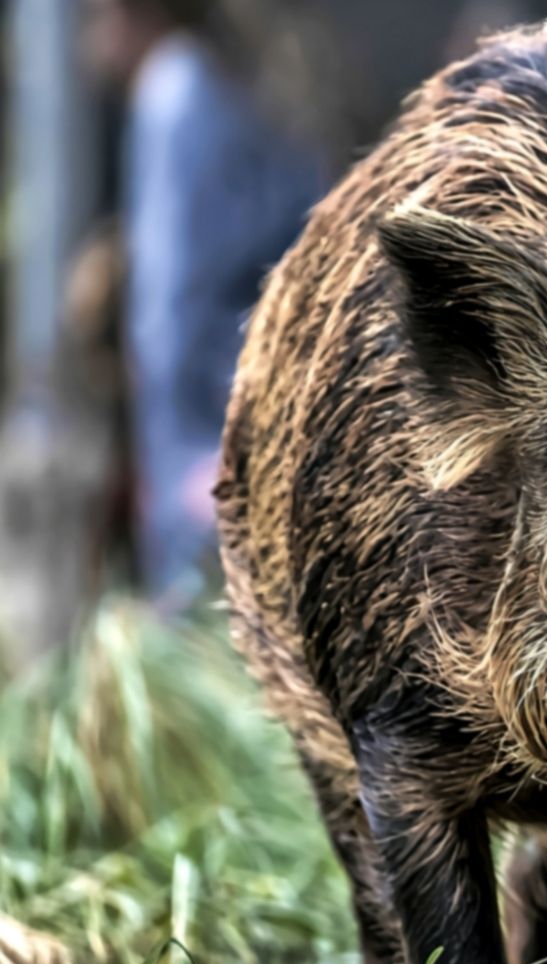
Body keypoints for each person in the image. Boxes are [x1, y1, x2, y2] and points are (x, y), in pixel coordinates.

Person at [82, 0, 328, 605]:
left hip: (205, 454)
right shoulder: (267, 82)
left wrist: (166, 468)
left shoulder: (175, 89)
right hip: (278, 418)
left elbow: (168, 316)